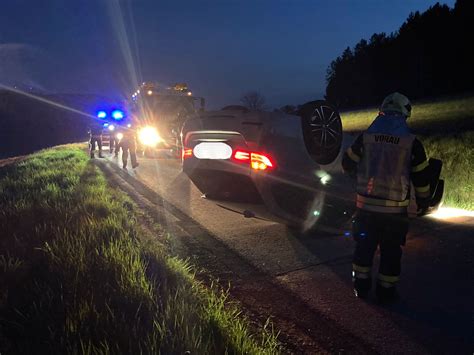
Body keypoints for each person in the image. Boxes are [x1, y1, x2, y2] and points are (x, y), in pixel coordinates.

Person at [342, 92, 431, 303]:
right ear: (404, 113)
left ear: (382, 110)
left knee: (363, 250)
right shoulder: (411, 142)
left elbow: (347, 164)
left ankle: (360, 288)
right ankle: (386, 293)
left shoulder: (366, 138)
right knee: (391, 253)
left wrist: (359, 178)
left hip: (366, 209)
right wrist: (424, 202)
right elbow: (422, 178)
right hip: (394, 212)